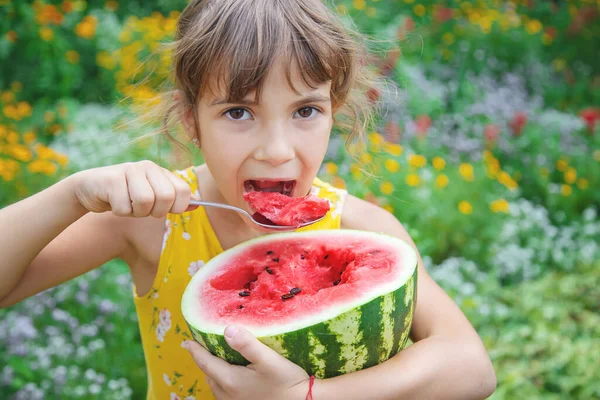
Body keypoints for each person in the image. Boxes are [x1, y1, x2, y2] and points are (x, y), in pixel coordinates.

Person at [0, 0, 496, 399]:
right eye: (239, 112)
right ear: (192, 119)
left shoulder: (364, 231)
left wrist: (309, 396)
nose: (277, 151)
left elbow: (471, 367)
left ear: (334, 111)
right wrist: (72, 195)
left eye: (305, 110)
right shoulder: (155, 223)